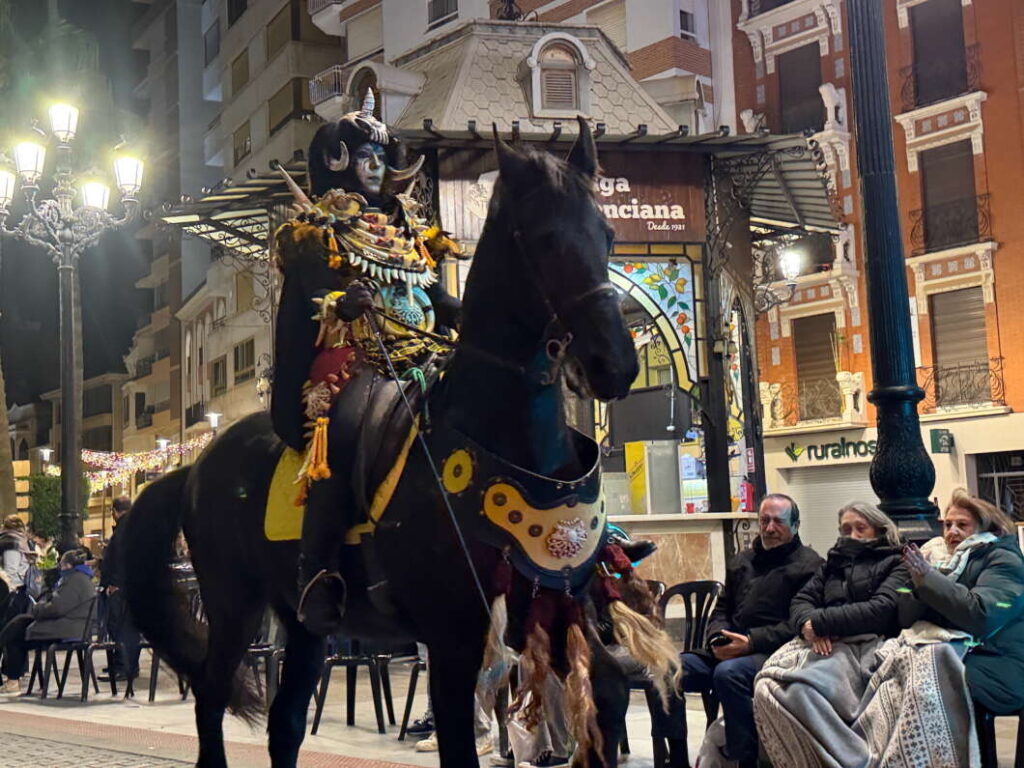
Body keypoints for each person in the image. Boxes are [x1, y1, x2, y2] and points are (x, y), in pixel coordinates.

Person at [271, 88, 463, 636]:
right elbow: (311, 300)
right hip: (357, 364)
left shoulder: (409, 230)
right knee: (347, 429)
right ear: (340, 165)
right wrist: (341, 300)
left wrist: (457, 310)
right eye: (364, 158)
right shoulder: (314, 231)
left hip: (423, 357)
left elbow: (429, 291)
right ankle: (317, 570)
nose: (375, 168)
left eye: (381, 159)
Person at [754, 502, 911, 768]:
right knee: (766, 688)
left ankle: (851, 760)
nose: (852, 535)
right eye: (846, 529)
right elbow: (801, 600)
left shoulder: (895, 561)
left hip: (865, 644)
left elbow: (881, 610)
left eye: (861, 528)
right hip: (822, 642)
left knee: (803, 692)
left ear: (879, 530)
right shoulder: (832, 564)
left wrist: (822, 623)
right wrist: (807, 625)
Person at [676, 494, 822, 768]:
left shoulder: (810, 565)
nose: (769, 528)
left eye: (778, 521)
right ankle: (674, 754)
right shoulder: (742, 561)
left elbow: (798, 623)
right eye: (764, 520)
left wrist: (750, 643)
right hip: (728, 647)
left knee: (728, 674)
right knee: (668, 669)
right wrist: (718, 638)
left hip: (775, 652)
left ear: (795, 525)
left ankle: (746, 758)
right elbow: (721, 609)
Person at [901, 489, 1024, 717]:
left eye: (962, 525)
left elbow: (982, 616)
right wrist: (917, 585)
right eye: (947, 525)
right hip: (959, 653)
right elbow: (905, 619)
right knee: (894, 679)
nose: (952, 532)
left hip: (999, 662)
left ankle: (936, 752)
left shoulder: (1003, 559)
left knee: (927, 689)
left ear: (985, 529)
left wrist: (929, 579)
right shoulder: (941, 561)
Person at [0, 548, 96, 695]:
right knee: (20, 624)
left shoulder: (75, 580)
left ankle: (13, 680)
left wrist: (38, 608)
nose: (60, 568)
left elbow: (57, 607)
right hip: (70, 625)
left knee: (17, 632)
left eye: (62, 565)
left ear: (68, 566)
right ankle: (12, 680)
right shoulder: (80, 578)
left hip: (69, 629)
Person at [100, 495, 141, 682]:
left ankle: (124, 667)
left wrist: (115, 583)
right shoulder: (136, 526)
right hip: (131, 586)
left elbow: (122, 559)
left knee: (121, 627)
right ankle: (126, 665)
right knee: (127, 627)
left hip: (121, 588)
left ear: (115, 512)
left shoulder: (124, 529)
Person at [0, 515, 31, 621]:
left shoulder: (14, 540)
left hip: (17, 587)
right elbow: (11, 569)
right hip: (15, 588)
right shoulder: (11, 542)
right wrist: (11, 589)